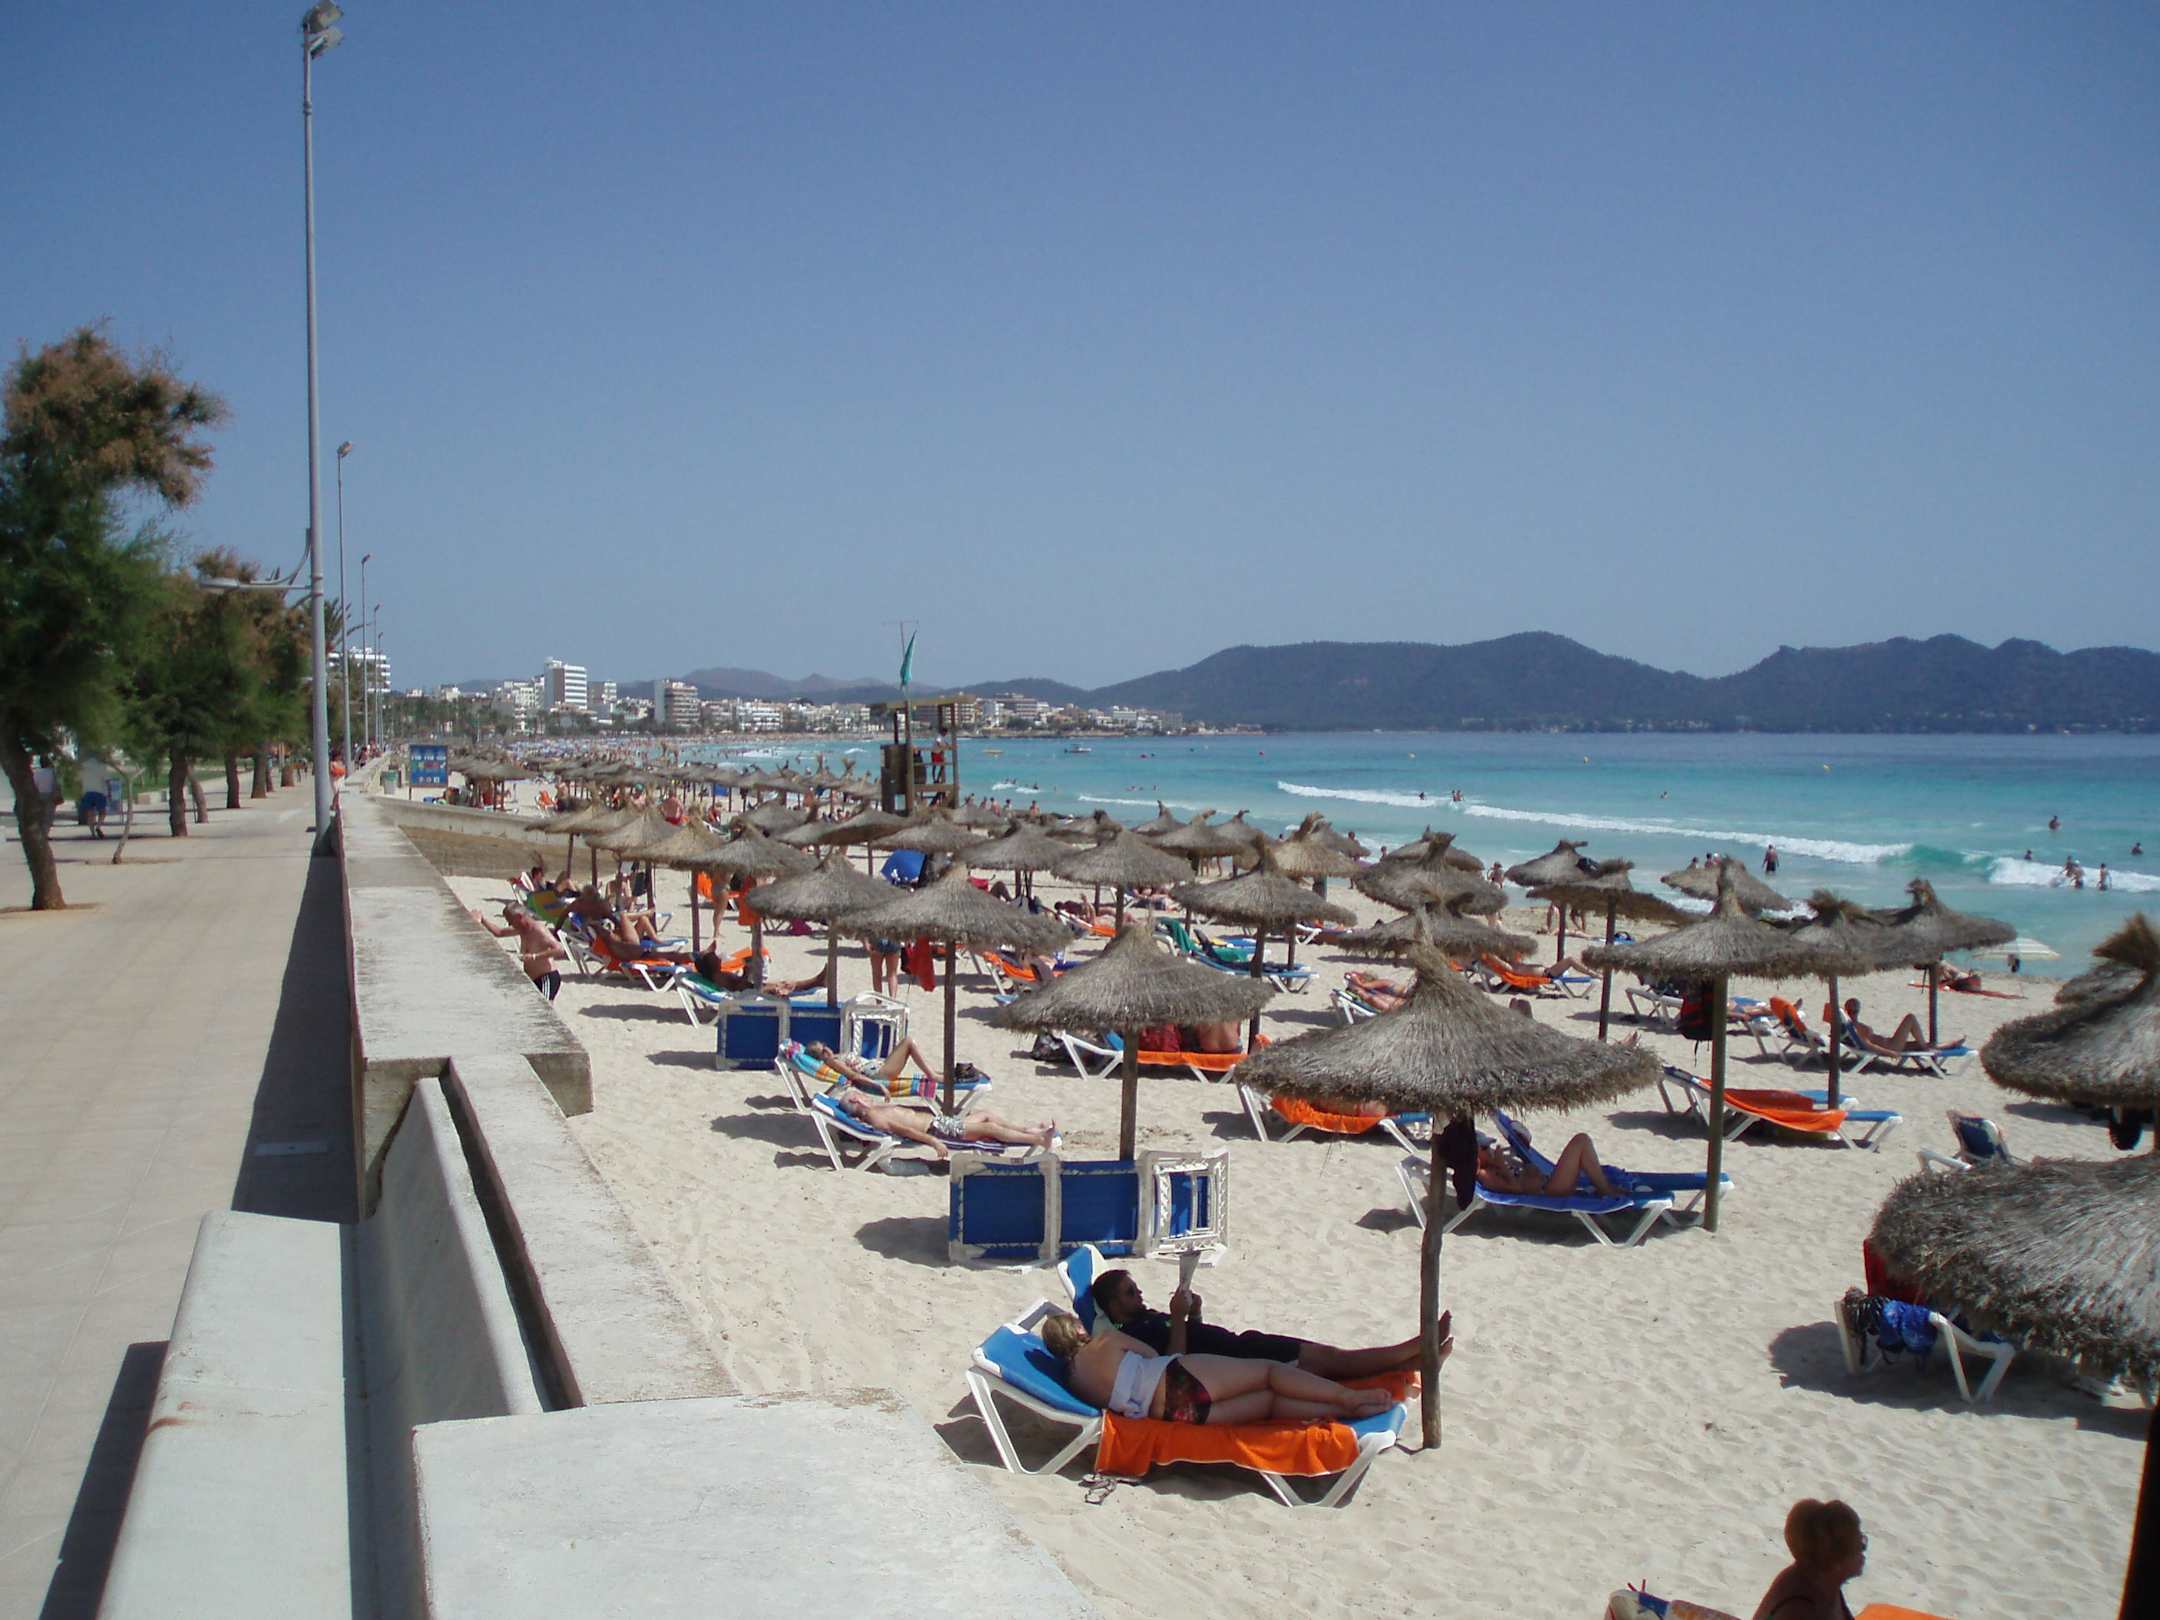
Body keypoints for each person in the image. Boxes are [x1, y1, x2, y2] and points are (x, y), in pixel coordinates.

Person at [1037, 1304, 1402, 1426]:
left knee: (1269, 1404)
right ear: (1078, 1329)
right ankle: (1347, 1398)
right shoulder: (1105, 1340)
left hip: (1173, 1414)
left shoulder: (1074, 1381)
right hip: (1177, 1377)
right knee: (1269, 1372)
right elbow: (1151, 1355)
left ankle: (1344, 1412)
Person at [1087, 1268, 1429, 1380]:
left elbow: (1191, 1337)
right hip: (1240, 1362)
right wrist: (1177, 1317)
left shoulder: (1144, 1317)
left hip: (1241, 1344)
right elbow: (1171, 1364)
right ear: (1114, 1307)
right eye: (1130, 1292)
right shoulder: (1132, 1335)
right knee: (1328, 1360)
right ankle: (1411, 1351)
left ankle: (1409, 1362)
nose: (1140, 1294)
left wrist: (1194, 1314)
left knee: (1323, 1357)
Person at [828, 1087, 1054, 1160]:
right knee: (989, 1128)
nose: (865, 1096)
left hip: (939, 1123)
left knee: (985, 1114)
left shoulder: (876, 1109)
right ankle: (1038, 1139)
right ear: (856, 1101)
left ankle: (1029, 1130)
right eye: (860, 1095)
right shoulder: (875, 1117)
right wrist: (934, 1142)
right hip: (937, 1130)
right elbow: (906, 1130)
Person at [1751, 1498, 1867, 1620]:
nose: (1863, 1548)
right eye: (1858, 1544)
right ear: (1835, 1558)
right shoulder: (1799, 1608)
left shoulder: (1825, 1584)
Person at [1476, 1128, 1625, 1199]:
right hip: (1549, 1191)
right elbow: (1515, 1190)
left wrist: (1527, 1167)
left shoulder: (1493, 1165)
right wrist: (1503, 1166)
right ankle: (1605, 1189)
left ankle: (1604, 1187)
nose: (1490, 1149)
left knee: (1581, 1142)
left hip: (1547, 1183)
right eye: (1485, 1148)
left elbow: (1526, 1172)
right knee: (1580, 1141)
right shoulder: (1485, 1174)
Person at [472, 902, 568, 1000]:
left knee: (544, 1007)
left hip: (546, 978)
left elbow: (559, 949)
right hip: (532, 979)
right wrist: (483, 919)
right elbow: (499, 932)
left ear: (519, 917)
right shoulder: (522, 929)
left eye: (511, 921)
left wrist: (534, 956)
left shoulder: (538, 930)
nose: (510, 924)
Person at [1842, 998, 1955, 1056]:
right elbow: (1868, 1045)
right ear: (1846, 1011)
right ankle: (1927, 1048)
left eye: (1856, 1011)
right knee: (1910, 1018)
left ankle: (1950, 1045)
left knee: (1919, 1044)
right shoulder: (1855, 1028)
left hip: (1890, 1042)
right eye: (1852, 1011)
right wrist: (1890, 1053)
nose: (1854, 1014)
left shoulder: (1850, 1026)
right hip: (1892, 1046)